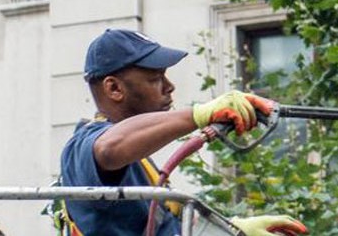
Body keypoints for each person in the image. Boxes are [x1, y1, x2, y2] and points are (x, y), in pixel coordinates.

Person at [59, 28, 309, 236]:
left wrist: (232, 230)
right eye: (155, 78)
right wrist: (200, 114)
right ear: (114, 88)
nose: (169, 87)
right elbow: (108, 148)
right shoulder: (83, 147)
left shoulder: (138, 163)